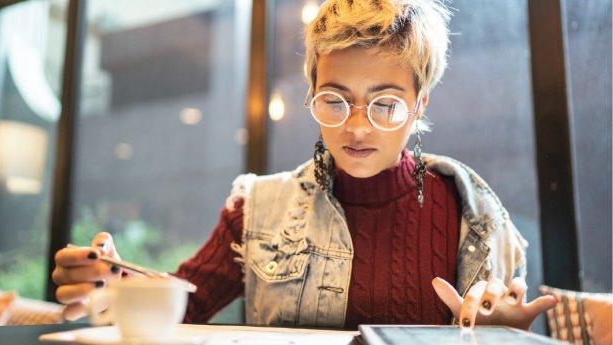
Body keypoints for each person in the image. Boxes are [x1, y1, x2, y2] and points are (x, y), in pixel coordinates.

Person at [52, 0, 557, 330]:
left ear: (420, 103)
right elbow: (187, 302)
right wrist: (116, 286)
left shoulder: (474, 213)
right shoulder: (257, 208)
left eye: (385, 104)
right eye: (335, 100)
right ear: (312, 92)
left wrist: (504, 332)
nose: (357, 128)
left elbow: (499, 319)